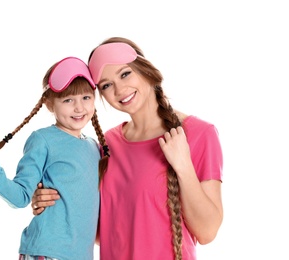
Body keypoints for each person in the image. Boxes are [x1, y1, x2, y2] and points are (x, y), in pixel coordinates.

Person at [31, 37, 224, 260]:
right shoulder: (106, 145)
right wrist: (53, 199)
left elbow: (207, 232)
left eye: (125, 74)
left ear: (145, 70)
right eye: (106, 85)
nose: (120, 89)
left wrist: (183, 166)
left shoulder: (199, 134)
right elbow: (100, 231)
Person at [0, 56, 109, 260]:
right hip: (46, 253)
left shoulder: (94, 147)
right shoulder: (43, 140)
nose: (79, 108)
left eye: (86, 98)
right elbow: (20, 197)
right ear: (49, 104)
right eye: (68, 100)